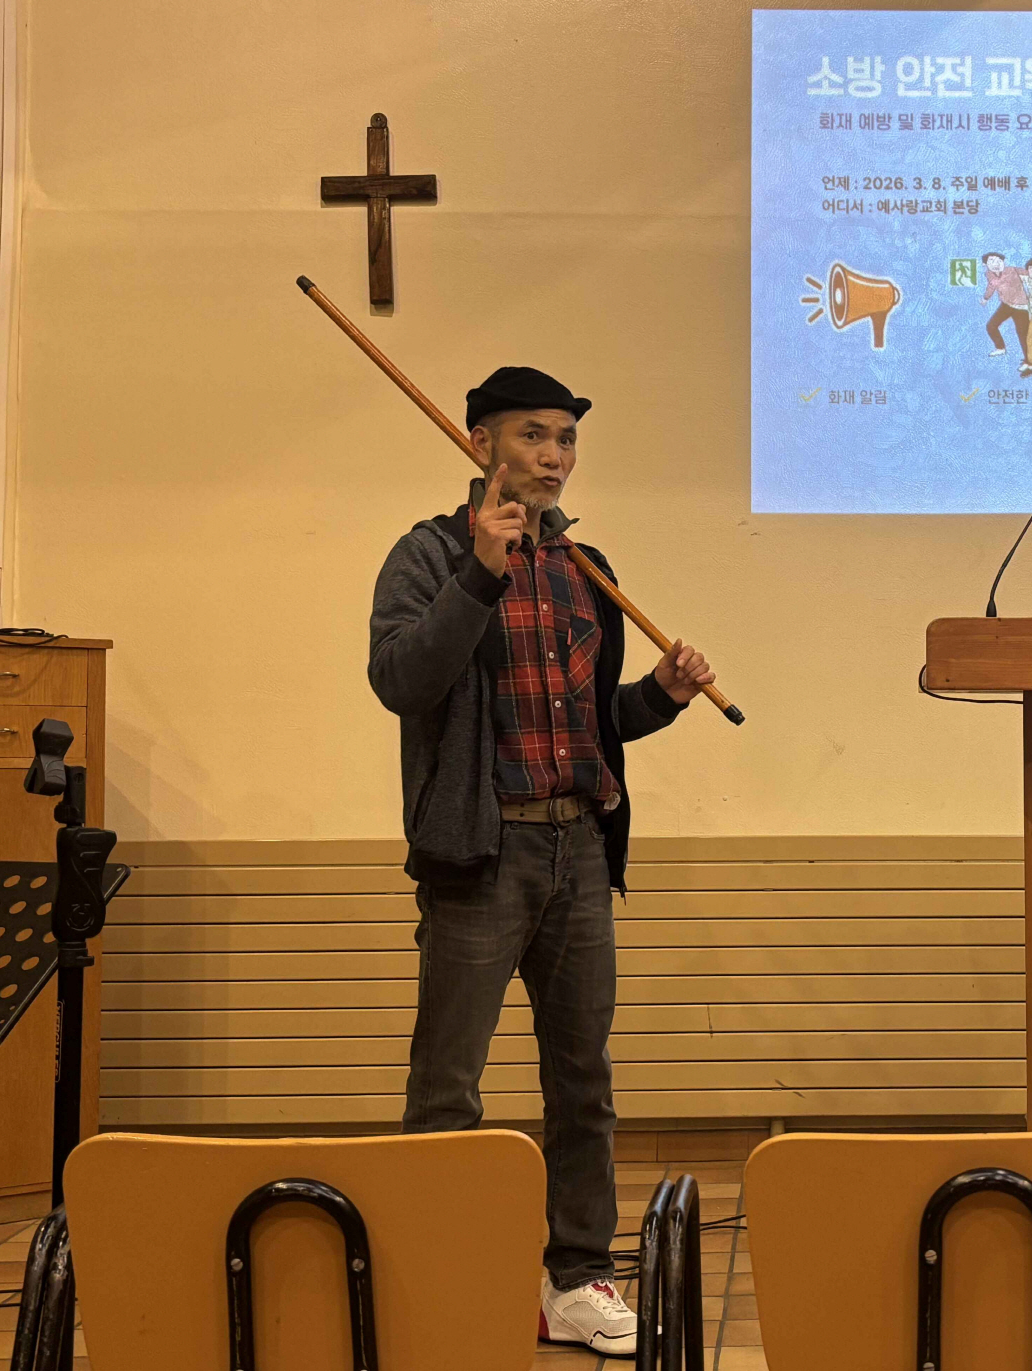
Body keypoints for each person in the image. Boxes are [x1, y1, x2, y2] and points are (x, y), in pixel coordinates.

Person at [367, 366, 716, 1358]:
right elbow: (401, 681)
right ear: (480, 443)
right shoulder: (430, 554)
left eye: (566, 439)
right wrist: (480, 574)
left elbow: (592, 725)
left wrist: (659, 695)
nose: (555, 456)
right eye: (533, 435)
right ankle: (441, 1279)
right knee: (448, 1087)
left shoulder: (583, 567)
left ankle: (577, 1280)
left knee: (583, 1083)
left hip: (579, 847)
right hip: (482, 856)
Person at [980, 251, 1029, 357]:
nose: (996, 263)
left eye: (999, 260)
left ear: (1004, 262)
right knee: (991, 326)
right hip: (1006, 305)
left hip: (1020, 306)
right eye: (992, 261)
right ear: (985, 264)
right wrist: (985, 298)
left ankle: (1030, 360)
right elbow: (991, 286)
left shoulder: (1013, 270)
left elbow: (1030, 275)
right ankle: (1000, 348)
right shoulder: (989, 274)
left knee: (1023, 333)